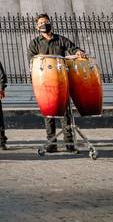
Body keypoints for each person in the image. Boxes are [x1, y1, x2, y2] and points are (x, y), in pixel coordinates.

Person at [27, 13, 86, 153]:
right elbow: (31, 61)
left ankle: (69, 143)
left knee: (65, 112)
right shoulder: (35, 43)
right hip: (44, 82)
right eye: (40, 23)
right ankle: (51, 143)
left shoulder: (60, 39)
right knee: (49, 113)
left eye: (45, 22)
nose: (43, 24)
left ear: (50, 23)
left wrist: (78, 52)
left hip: (61, 81)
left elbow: (73, 48)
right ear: (37, 27)